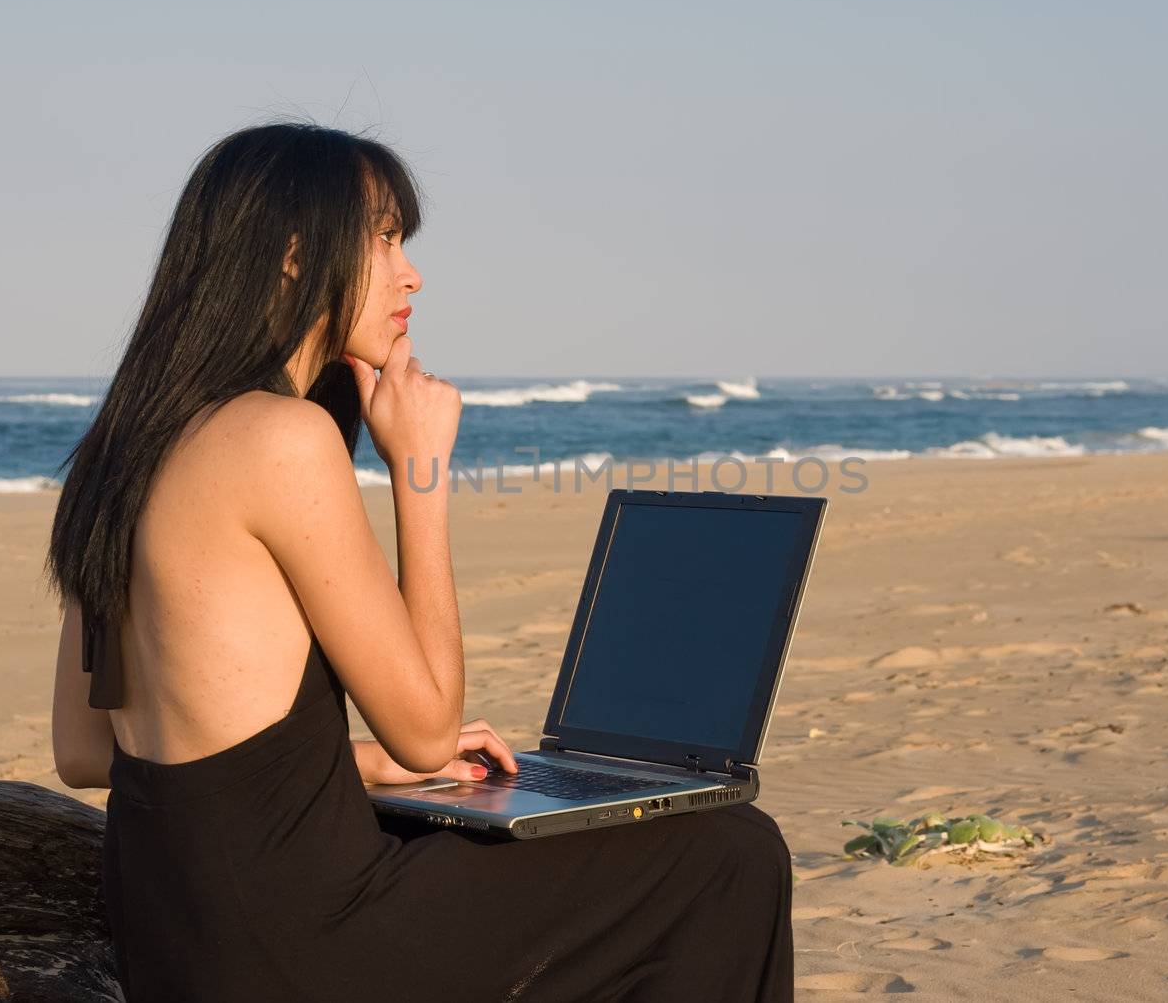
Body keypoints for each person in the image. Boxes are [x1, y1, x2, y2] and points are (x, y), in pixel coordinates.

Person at [44, 122, 794, 1002]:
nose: (411, 273)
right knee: (729, 854)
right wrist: (419, 473)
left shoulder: (122, 448)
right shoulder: (281, 437)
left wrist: (345, 765)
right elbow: (430, 730)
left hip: (177, 937)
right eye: (386, 237)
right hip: (302, 941)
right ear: (294, 253)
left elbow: (85, 749)